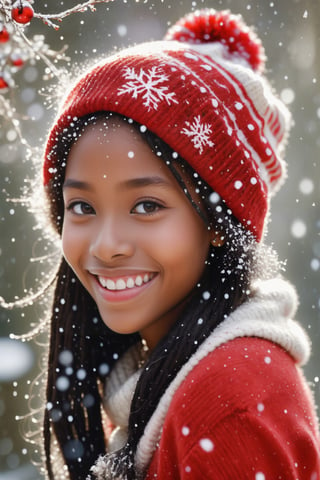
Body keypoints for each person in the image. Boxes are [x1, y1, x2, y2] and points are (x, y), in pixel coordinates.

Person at [36, 7, 320, 480]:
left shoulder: (230, 406)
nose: (106, 247)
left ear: (216, 222)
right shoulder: (152, 379)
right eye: (82, 207)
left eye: (146, 206)